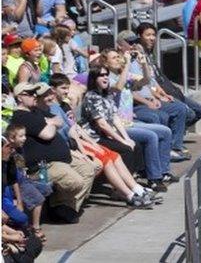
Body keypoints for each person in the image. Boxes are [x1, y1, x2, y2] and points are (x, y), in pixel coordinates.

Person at [45, 75, 155, 207]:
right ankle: (128, 195)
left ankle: (136, 188)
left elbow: (76, 128)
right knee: (105, 158)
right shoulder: (52, 108)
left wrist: (92, 142)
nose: (67, 92)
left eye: (68, 88)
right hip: (72, 146)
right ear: (53, 89)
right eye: (63, 88)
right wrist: (85, 149)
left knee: (115, 156)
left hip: (82, 140)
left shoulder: (65, 105)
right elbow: (71, 134)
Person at [9, 82, 98, 224]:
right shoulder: (21, 116)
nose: (34, 96)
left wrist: (51, 122)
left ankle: (65, 207)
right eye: (30, 93)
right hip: (43, 166)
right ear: (20, 97)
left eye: (34, 93)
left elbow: (59, 121)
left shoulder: (35, 111)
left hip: (61, 159)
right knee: (75, 181)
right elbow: (47, 134)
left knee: (91, 168)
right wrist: (51, 124)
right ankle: (59, 206)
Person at [80, 64, 172, 192]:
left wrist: (127, 138)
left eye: (106, 75)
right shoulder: (91, 97)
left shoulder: (106, 95)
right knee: (126, 149)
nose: (105, 78)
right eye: (101, 75)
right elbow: (103, 124)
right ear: (94, 79)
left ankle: (136, 181)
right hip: (95, 137)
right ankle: (125, 188)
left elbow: (114, 118)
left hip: (110, 131)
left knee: (135, 145)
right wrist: (122, 141)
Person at [118, 30, 191, 162]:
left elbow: (148, 82)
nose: (133, 45)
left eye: (135, 42)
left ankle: (174, 147)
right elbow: (127, 90)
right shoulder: (120, 63)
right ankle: (160, 154)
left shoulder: (137, 59)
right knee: (158, 116)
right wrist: (147, 102)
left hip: (149, 98)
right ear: (120, 45)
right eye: (129, 43)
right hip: (136, 105)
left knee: (180, 108)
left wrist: (158, 95)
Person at [134, 22, 201, 126]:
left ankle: (177, 129)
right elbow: (147, 82)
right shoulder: (138, 55)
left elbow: (158, 76)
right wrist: (159, 94)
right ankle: (175, 132)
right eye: (148, 35)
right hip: (155, 93)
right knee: (188, 113)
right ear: (139, 36)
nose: (152, 38)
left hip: (169, 90)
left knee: (200, 110)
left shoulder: (149, 52)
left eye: (154, 35)